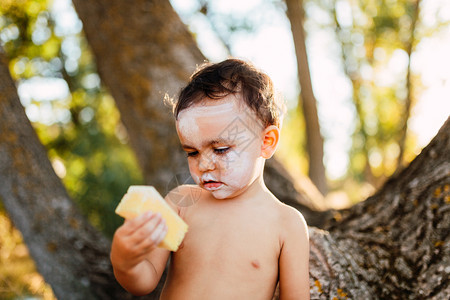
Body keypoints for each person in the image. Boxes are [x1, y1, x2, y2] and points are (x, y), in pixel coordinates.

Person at [110, 58, 310, 299]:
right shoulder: (181, 203)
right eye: (192, 152)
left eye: (221, 149)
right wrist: (125, 261)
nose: (204, 165)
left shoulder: (286, 223)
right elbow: (145, 281)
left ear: (266, 142)